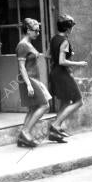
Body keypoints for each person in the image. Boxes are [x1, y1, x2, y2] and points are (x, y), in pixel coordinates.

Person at [16, 18, 62, 147]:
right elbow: (21, 67)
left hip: (35, 79)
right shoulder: (23, 45)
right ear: (28, 30)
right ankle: (25, 132)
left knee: (33, 108)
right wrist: (29, 84)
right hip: (29, 80)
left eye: (39, 31)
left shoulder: (28, 44)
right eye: (35, 31)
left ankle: (22, 137)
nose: (38, 33)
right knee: (45, 106)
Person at [48, 14, 87, 139]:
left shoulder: (54, 39)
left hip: (55, 72)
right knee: (79, 101)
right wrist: (79, 63)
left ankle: (56, 130)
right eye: (71, 27)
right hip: (62, 73)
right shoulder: (64, 41)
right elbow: (62, 61)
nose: (72, 29)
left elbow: (49, 55)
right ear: (68, 28)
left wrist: (66, 54)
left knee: (65, 101)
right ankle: (55, 125)